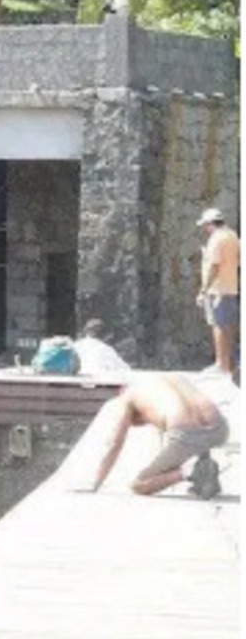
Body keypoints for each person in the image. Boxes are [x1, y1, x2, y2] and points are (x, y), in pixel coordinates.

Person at [89, 372, 227, 499]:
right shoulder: (174, 378)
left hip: (186, 435)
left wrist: (96, 483)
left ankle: (190, 472)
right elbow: (196, 418)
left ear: (121, 391)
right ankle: (206, 472)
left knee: (138, 484)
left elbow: (115, 443)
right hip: (221, 428)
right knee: (193, 436)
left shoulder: (128, 397)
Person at [196, 208, 239, 374]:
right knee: (228, 326)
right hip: (230, 287)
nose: (204, 229)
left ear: (210, 224)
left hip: (218, 289)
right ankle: (230, 364)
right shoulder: (232, 235)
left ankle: (221, 365)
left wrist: (204, 290)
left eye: (205, 225)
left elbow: (214, 265)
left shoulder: (216, 239)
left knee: (218, 326)